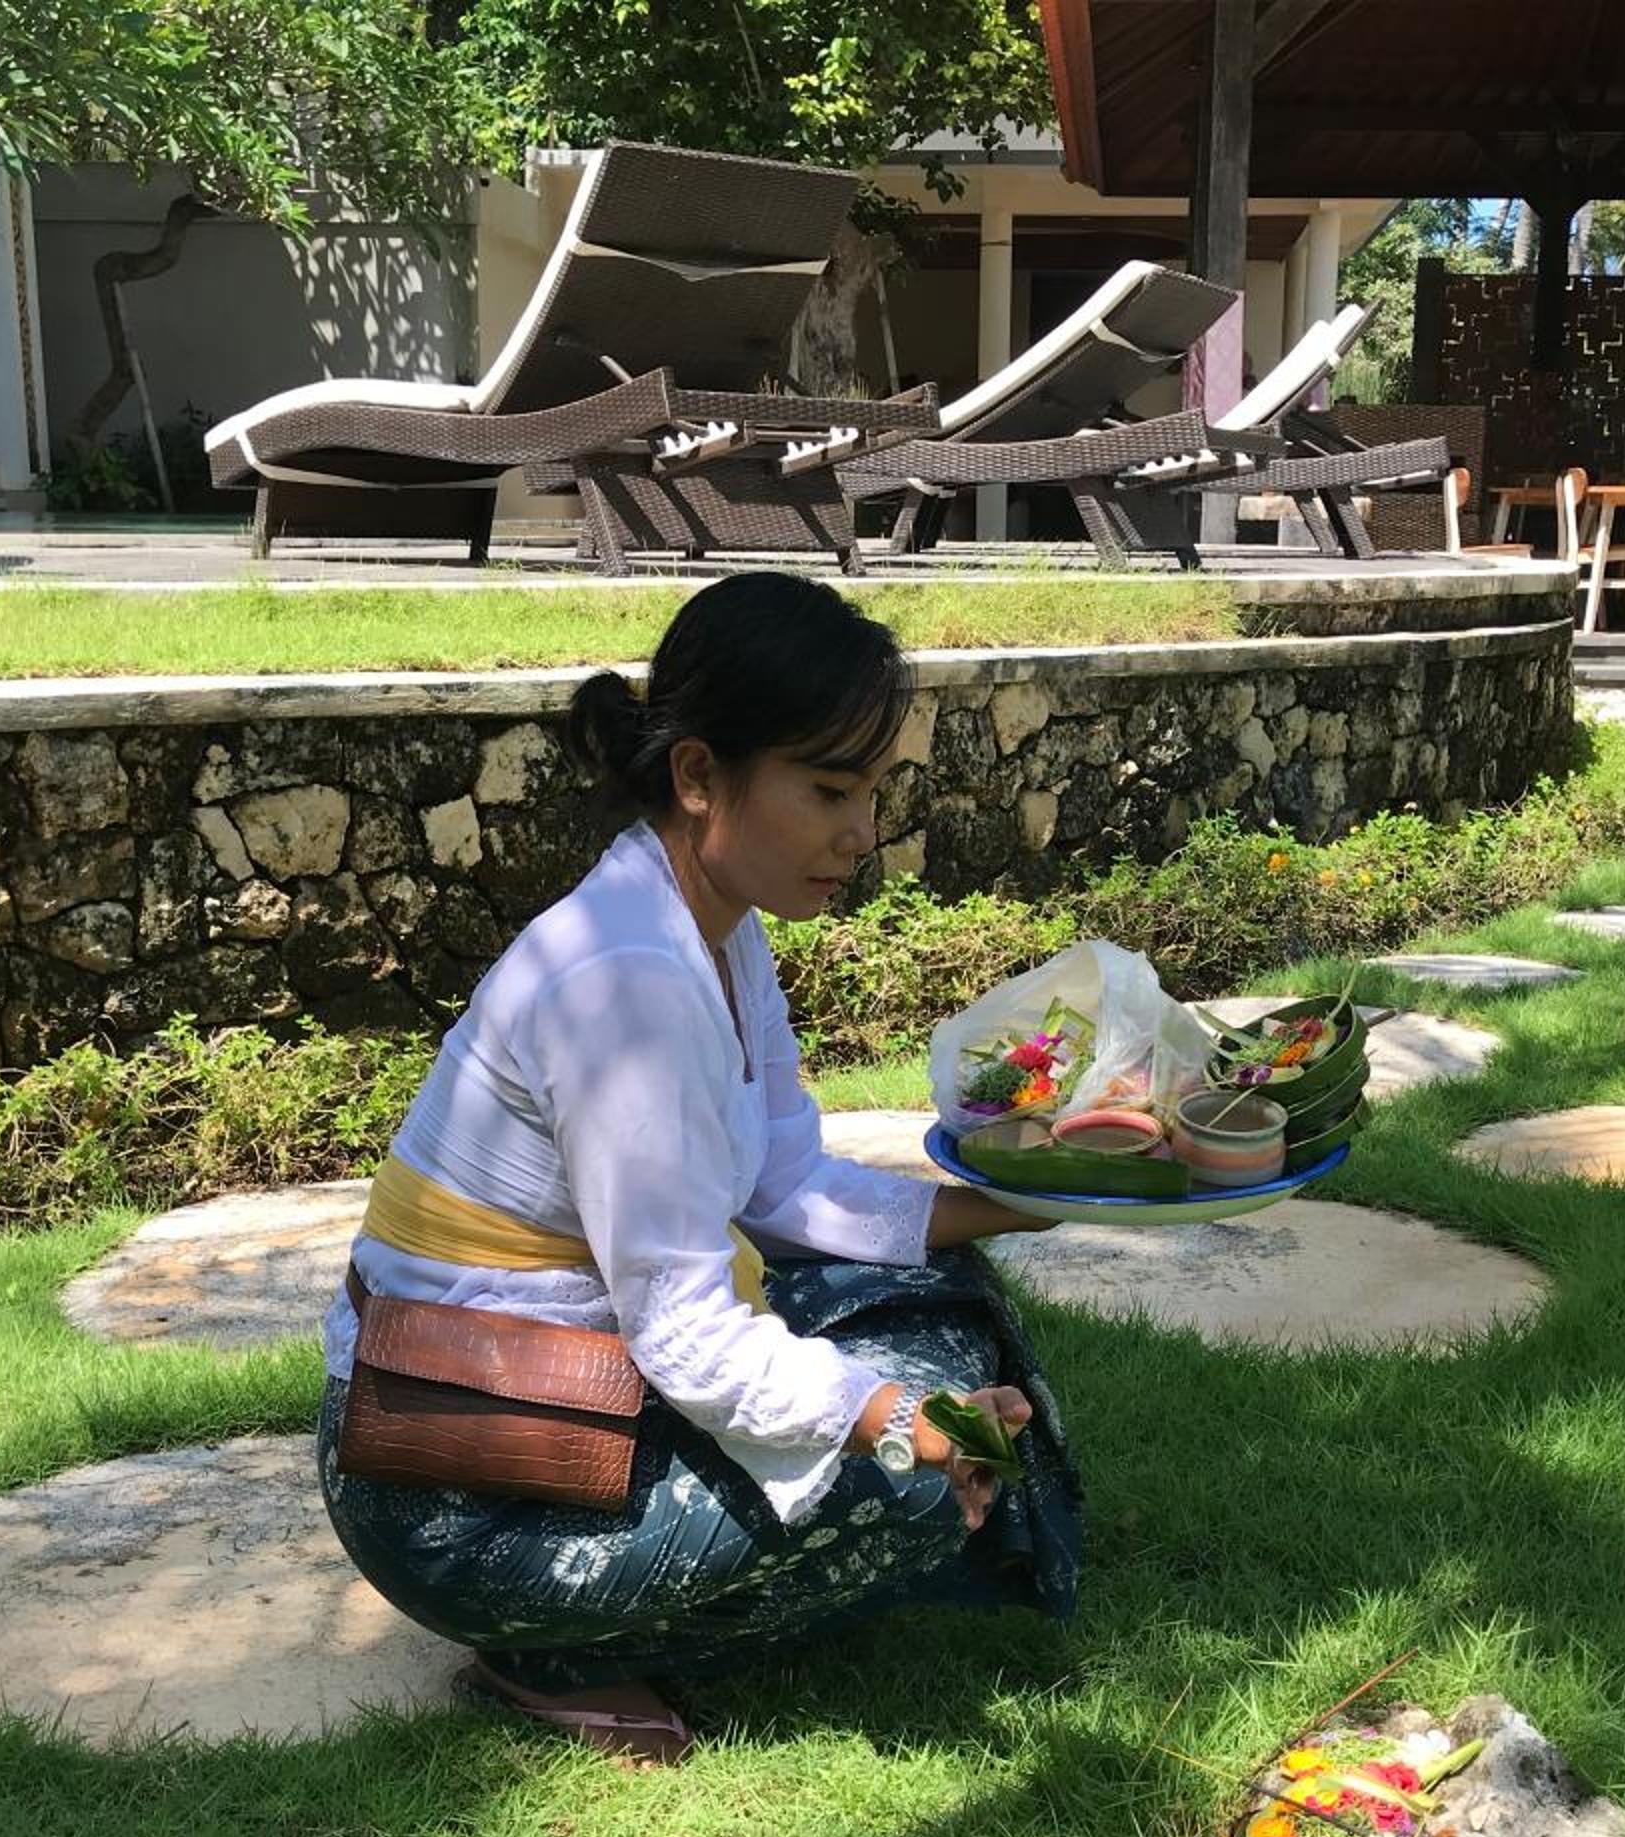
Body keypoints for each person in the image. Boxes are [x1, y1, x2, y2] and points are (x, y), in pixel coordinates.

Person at [315, 573, 1081, 1761]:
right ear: (696, 776)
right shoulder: (629, 984)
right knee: (917, 1478)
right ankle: (550, 1657)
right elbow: (682, 1331)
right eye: (829, 790)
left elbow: (781, 1187)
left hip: (558, 1389)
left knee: (945, 1304)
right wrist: (897, 1421)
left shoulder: (718, 928)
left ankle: (658, 1598)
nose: (862, 834)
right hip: (454, 1486)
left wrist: (1011, 1204)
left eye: (872, 792)